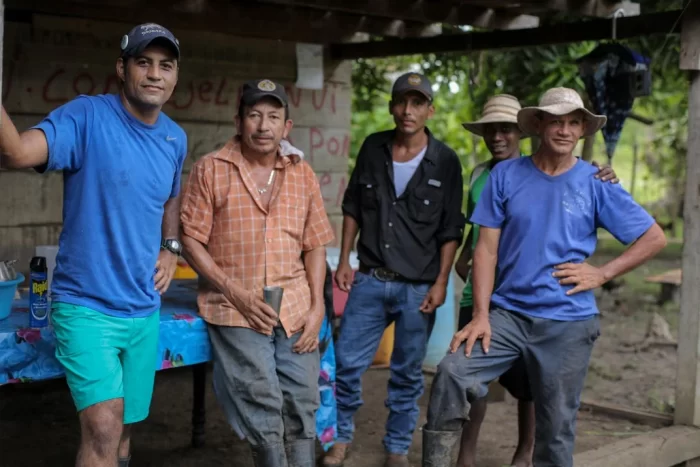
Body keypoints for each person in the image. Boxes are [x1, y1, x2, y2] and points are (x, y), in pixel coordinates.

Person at [422, 87, 667, 467]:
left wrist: (602, 272)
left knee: (555, 432)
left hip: (567, 322)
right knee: (452, 372)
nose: (565, 130)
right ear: (538, 125)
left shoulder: (595, 182)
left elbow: (654, 237)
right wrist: (483, 314)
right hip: (507, 316)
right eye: (556, 121)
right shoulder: (504, 176)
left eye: (574, 123)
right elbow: (485, 250)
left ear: (584, 129)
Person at [0, 23, 186, 467]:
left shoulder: (174, 137)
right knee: (104, 427)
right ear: (121, 68)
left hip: (142, 309)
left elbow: (172, 196)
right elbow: (16, 154)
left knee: (123, 435)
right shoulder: (85, 117)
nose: (155, 74)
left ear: (176, 75)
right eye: (144, 63)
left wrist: (172, 247)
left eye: (166, 65)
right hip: (85, 306)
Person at [454, 94, 619, 467]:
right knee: (468, 376)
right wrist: (469, 277)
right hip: (482, 298)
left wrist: (602, 272)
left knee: (533, 385)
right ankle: (465, 456)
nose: (498, 137)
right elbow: (477, 239)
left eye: (506, 130)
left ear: (523, 132)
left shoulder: (563, 175)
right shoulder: (482, 174)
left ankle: (525, 452)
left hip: (530, 302)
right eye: (490, 131)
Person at [180, 79, 334, 467]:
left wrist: (317, 308)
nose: (263, 126)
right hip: (235, 305)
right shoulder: (211, 169)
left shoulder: (302, 174)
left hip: (296, 305)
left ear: (287, 126)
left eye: (273, 116)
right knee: (261, 398)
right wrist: (233, 291)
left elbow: (315, 243)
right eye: (254, 115)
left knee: (302, 399)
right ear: (239, 121)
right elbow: (191, 241)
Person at [323, 72, 464, 467]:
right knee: (347, 364)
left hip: (419, 287)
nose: (408, 110)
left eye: (417, 103)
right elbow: (352, 205)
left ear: (430, 110)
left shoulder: (446, 161)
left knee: (406, 374)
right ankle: (340, 439)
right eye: (402, 101)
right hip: (370, 278)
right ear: (391, 106)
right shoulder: (373, 148)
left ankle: (397, 448)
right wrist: (347, 259)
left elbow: (451, 229)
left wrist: (441, 284)